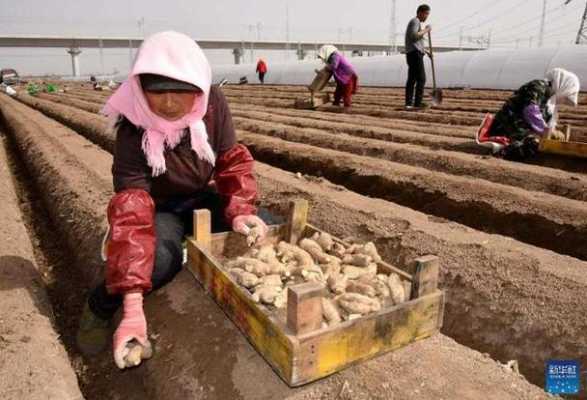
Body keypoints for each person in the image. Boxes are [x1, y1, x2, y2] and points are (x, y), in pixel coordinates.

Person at [76, 31, 269, 369]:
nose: (167, 104)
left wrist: (238, 210)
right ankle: (100, 304)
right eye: (157, 92)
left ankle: (194, 245)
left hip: (200, 197)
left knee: (264, 227)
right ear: (140, 91)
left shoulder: (213, 104)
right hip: (157, 206)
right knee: (157, 263)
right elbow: (133, 202)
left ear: (198, 88)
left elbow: (230, 162)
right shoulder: (133, 124)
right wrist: (134, 309)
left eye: (179, 92)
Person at [486, 68, 580, 159]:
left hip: (521, 130)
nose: (564, 99)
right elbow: (530, 111)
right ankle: (502, 152)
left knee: (539, 145)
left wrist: (552, 134)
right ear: (564, 86)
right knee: (533, 145)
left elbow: (547, 123)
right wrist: (546, 131)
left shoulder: (550, 100)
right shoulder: (538, 86)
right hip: (507, 127)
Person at [404, 4, 431, 110]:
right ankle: (417, 104)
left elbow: (416, 42)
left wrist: (427, 52)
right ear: (420, 12)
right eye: (426, 14)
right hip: (414, 54)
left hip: (413, 53)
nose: (427, 16)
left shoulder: (416, 22)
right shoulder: (415, 21)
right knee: (421, 78)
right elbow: (414, 36)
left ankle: (409, 104)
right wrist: (426, 30)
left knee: (412, 79)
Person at [317, 45, 358, 109]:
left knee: (346, 94)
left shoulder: (335, 56)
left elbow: (334, 66)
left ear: (326, 52)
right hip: (342, 78)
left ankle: (347, 108)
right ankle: (335, 106)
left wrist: (326, 68)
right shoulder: (332, 57)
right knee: (337, 93)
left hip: (347, 77)